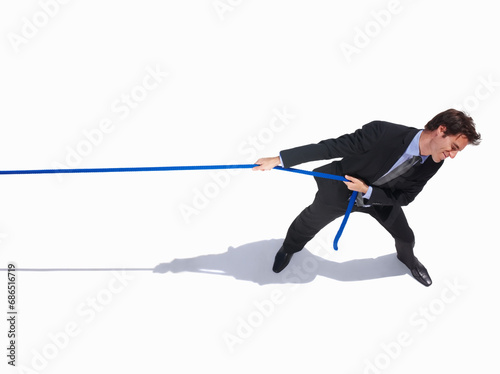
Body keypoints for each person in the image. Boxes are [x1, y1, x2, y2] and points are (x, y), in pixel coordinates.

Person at [252, 109, 481, 287]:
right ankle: (289, 248)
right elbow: (331, 147)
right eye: (453, 147)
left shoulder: (434, 160)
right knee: (309, 221)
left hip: (380, 199)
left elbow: (406, 197)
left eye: (456, 151)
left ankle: (407, 260)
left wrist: (368, 191)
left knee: (406, 236)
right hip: (341, 189)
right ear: (441, 130)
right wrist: (280, 159)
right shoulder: (383, 133)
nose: (452, 156)